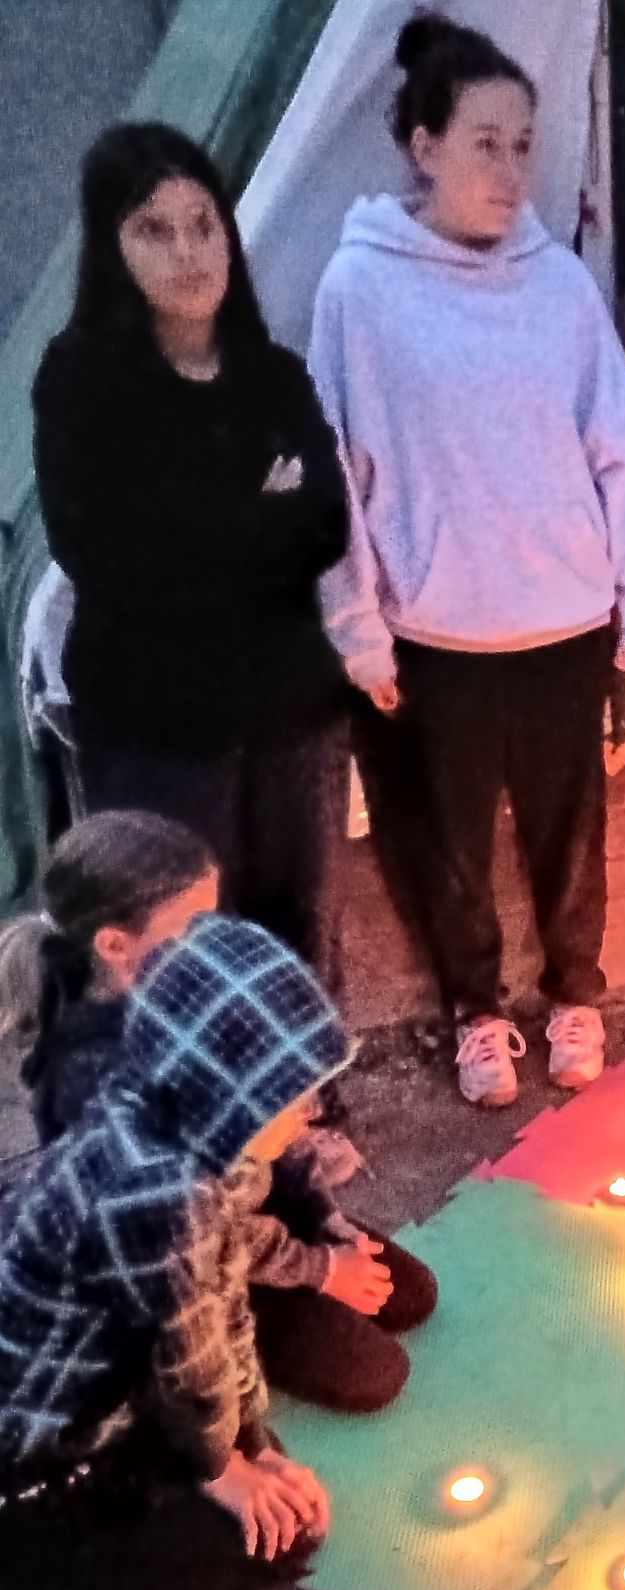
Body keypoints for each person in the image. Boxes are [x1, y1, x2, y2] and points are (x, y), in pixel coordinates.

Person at [311, 11, 625, 1107]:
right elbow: (336, 475)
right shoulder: (361, 289)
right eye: (485, 143)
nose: (511, 170)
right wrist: (358, 630)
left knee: (573, 835)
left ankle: (575, 994)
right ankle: (476, 1012)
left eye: (523, 145)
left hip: (564, 621)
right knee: (449, 849)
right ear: (422, 145)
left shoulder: (557, 284)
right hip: (437, 634)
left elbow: (619, 449)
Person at [31, 124, 354, 993]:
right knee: (179, 965)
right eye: (155, 230)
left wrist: (199, 525)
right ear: (112, 247)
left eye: (203, 225)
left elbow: (325, 525)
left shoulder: (274, 378)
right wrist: (256, 517)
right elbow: (105, 554)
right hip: (156, 732)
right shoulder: (81, 384)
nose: (187, 252)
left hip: (291, 718)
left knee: (300, 959)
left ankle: (304, 1083)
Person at [0, 812, 437, 1415]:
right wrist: (317, 1269)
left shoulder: (202, 986)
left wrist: (321, 1216)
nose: (213, 941)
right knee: (376, 1376)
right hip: (190, 1257)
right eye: (191, 927)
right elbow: (194, 1226)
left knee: (412, 1294)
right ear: (115, 945)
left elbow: (283, 1115)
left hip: (245, 1200)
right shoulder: (89, 1078)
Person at [0, 917, 358, 1563]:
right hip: (42, 1429)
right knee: (283, 1539)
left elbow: (224, 1295)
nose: (313, 1115)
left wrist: (251, 1440)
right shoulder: (162, 1193)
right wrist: (221, 1466)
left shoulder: (198, 1132)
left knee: (276, 1476)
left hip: (133, 1355)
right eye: (298, 1098)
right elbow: (190, 1363)